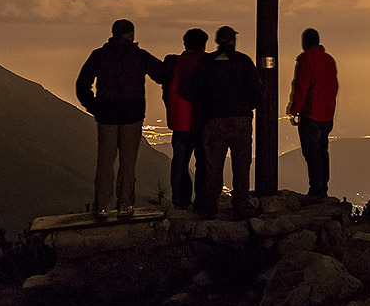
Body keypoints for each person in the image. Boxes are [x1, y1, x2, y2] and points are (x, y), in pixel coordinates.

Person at [75, 18, 169, 218]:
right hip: (132, 116)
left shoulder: (99, 55)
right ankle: (124, 205)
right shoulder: (138, 55)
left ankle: (101, 206)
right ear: (132, 34)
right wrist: (173, 63)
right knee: (128, 161)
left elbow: (82, 84)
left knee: (105, 161)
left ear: (113, 34)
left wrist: (94, 106)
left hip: (106, 115)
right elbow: (161, 75)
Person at [187, 25, 260, 220]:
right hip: (240, 120)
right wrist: (246, 108)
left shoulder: (207, 63)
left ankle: (210, 207)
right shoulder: (243, 61)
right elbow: (256, 91)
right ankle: (241, 206)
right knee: (242, 164)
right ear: (233, 41)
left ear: (217, 41)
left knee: (213, 166)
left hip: (214, 121)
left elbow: (195, 91)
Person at [287, 28, 339, 202]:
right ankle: (322, 187)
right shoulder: (329, 60)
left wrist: (294, 110)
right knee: (322, 151)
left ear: (305, 42)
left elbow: (301, 87)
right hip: (327, 115)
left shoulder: (307, 60)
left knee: (312, 153)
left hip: (311, 115)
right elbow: (334, 86)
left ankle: (316, 190)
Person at [161, 28, 209, 210]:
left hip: (179, 121)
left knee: (180, 161)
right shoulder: (206, 63)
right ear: (203, 45)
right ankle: (202, 200)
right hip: (201, 120)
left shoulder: (175, 63)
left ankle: (181, 200)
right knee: (203, 162)